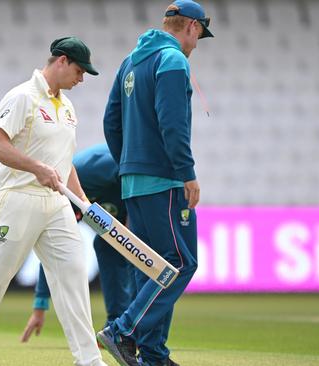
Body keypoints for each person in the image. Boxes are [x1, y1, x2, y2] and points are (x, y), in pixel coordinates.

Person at [0, 37, 106, 366]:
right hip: (20, 199)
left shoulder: (68, 108)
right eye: (79, 70)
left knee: (73, 274)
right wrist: (36, 168)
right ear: (61, 61)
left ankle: (89, 360)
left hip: (57, 205)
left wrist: (84, 204)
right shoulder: (22, 97)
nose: (82, 78)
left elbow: (64, 161)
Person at [98, 1, 214, 365]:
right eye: (199, 35)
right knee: (178, 263)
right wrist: (187, 173)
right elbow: (173, 125)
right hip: (165, 180)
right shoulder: (174, 60)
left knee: (151, 266)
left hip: (134, 180)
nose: (197, 43)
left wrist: (128, 165)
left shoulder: (130, 61)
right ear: (191, 27)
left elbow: (110, 121)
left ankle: (152, 354)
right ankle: (123, 330)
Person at [21, 144, 135, 343]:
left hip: (130, 185)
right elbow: (53, 250)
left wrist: (134, 214)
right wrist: (40, 306)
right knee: (107, 245)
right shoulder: (57, 202)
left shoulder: (90, 172)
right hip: (100, 198)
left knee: (116, 247)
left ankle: (129, 326)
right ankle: (116, 327)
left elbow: (126, 167)